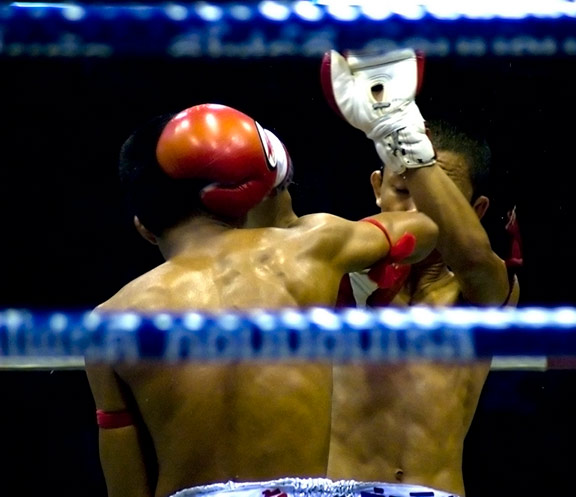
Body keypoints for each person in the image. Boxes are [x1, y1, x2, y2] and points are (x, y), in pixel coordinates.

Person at [84, 102, 440, 497]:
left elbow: (125, 486)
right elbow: (421, 229)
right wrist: (288, 222)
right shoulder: (308, 249)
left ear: (144, 229)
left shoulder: (109, 322)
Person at [322, 49, 521, 497]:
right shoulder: (330, 267)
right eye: (402, 189)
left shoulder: (483, 288)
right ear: (377, 188)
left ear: (475, 211)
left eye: (434, 197)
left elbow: (471, 256)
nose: (415, 210)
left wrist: (405, 140)